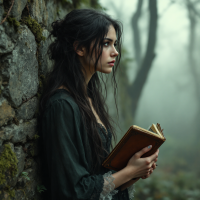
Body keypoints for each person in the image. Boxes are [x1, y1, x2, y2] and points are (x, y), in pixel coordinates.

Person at [38, 8, 159, 200]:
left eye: (115, 44)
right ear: (79, 48)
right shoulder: (61, 106)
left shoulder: (89, 98)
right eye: (106, 44)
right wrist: (128, 172)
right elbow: (72, 191)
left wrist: (135, 172)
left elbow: (100, 180)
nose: (115, 52)